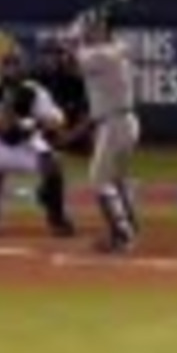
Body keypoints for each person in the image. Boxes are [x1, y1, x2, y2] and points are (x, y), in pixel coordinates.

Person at [0, 50, 75, 237]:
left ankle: (57, 217)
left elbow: (58, 119)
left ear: (22, 68)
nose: (10, 70)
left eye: (15, 65)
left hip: (27, 144)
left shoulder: (32, 91)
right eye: (6, 65)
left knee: (53, 165)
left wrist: (31, 122)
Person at [58, 15, 141, 253]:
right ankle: (129, 226)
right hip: (121, 122)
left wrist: (70, 39)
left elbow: (71, 63)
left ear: (106, 32)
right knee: (115, 178)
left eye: (96, 29)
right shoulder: (112, 50)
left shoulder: (102, 55)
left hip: (114, 123)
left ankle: (122, 235)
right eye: (91, 29)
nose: (91, 33)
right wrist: (73, 41)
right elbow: (73, 70)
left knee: (99, 179)